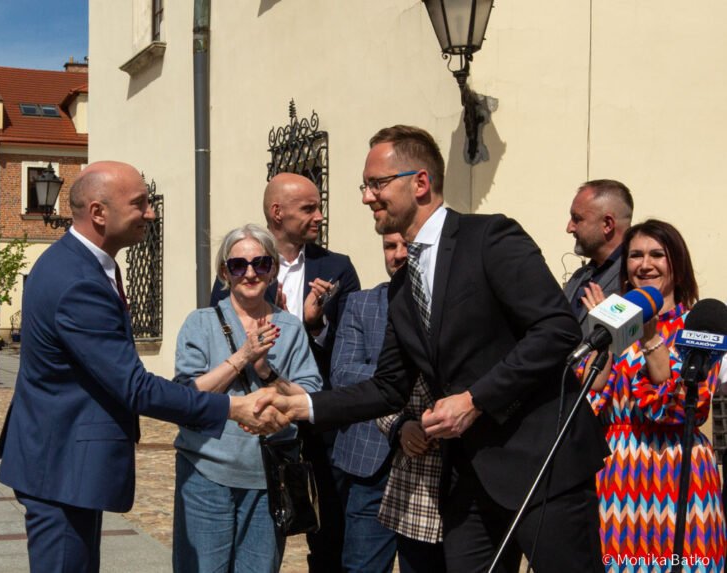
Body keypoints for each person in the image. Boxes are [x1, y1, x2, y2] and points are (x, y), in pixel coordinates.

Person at [258, 125, 608, 572]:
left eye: (377, 184)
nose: (366, 197)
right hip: (468, 480)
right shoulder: (403, 286)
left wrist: (475, 399)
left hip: (542, 465)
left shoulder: (490, 237)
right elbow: (388, 387)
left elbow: (557, 329)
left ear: (420, 182)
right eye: (365, 186)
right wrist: (302, 405)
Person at [0, 161, 288, 573]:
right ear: (99, 213)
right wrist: (232, 408)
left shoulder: (80, 264)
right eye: (139, 203)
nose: (150, 212)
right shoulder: (78, 280)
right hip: (59, 467)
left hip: (61, 463)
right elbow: (135, 387)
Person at [211, 172, 361, 571]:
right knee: (260, 526)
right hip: (261, 421)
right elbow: (223, 339)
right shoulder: (243, 267)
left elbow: (351, 347)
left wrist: (312, 325)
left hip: (318, 419)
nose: (319, 216)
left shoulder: (338, 268)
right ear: (277, 212)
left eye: (318, 207)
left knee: (329, 528)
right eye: (309, 208)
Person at [172, 223, 322, 573]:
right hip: (206, 471)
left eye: (261, 263)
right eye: (238, 265)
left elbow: (309, 397)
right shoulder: (200, 323)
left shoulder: (290, 327)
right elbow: (186, 397)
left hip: (269, 476)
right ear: (225, 272)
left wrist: (266, 370)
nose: (250, 273)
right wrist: (243, 356)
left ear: (272, 270)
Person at [579, 219, 726, 569]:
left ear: (678, 265)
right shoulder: (610, 322)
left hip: (681, 472)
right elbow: (589, 393)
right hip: (618, 478)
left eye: (657, 254)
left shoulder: (698, 325)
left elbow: (680, 406)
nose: (645, 264)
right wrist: (607, 330)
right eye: (635, 255)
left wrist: (649, 336)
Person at [330, 233, 407, 573]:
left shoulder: (449, 305)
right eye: (390, 246)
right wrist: (405, 374)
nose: (398, 254)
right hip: (370, 461)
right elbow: (343, 373)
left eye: (407, 246)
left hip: (430, 460)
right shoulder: (362, 304)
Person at [375, 369, 443, 573]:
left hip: (474, 485)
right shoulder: (407, 349)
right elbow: (381, 397)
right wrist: (400, 427)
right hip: (415, 493)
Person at [563, 179, 634, 323]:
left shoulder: (635, 275)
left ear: (607, 224)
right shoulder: (579, 276)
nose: (569, 228)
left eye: (577, 219)